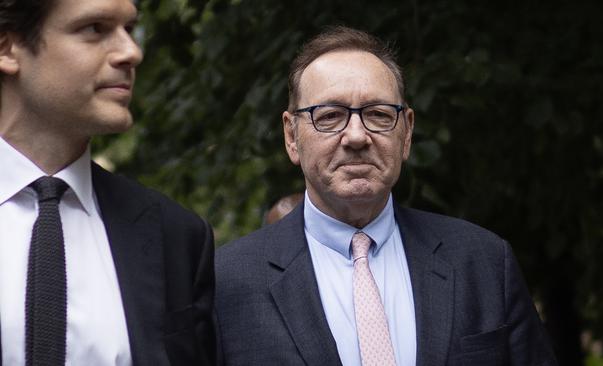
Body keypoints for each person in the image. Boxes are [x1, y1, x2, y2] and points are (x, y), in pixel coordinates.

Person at [214, 26, 558, 365]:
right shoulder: (228, 283)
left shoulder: (482, 262)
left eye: (377, 114)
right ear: (292, 136)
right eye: (330, 116)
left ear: (406, 132)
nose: (356, 136)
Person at [0, 0, 214, 365]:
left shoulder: (176, 237)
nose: (132, 52)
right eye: (95, 28)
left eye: (129, 29)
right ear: (8, 48)